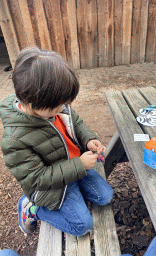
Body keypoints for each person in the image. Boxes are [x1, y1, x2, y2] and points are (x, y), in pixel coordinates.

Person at [0, 47, 113, 236]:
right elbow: (38, 179)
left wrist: (89, 139)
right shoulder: (14, 139)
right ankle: (32, 210)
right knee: (82, 226)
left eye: (63, 103)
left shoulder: (55, 106)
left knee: (105, 197)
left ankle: (75, 199)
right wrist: (79, 165)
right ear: (30, 100)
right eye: (57, 105)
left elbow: (75, 122)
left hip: (74, 169)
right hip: (53, 187)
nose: (63, 108)